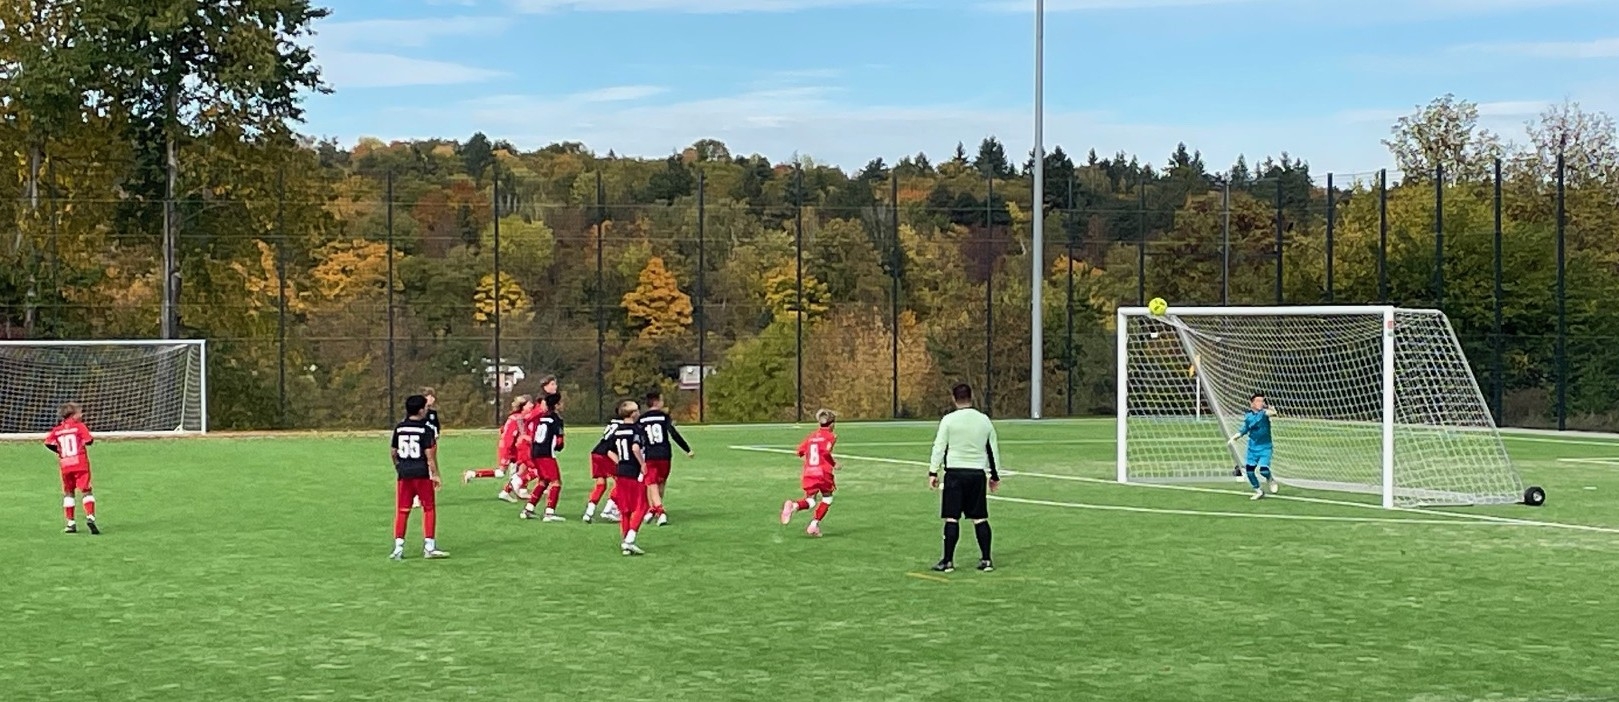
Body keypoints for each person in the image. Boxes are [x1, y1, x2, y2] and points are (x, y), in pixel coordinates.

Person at [927, 383, 1000, 573]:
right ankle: (986, 559)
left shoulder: (949, 420)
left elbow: (939, 446)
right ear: (971, 397)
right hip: (976, 474)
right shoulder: (984, 420)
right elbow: (992, 449)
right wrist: (994, 475)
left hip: (955, 474)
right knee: (980, 518)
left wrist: (933, 471)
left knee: (952, 518)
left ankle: (948, 561)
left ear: (954, 398)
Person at [391, 394, 448, 560]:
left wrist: (399, 467)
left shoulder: (399, 428)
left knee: (402, 510)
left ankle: (398, 548)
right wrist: (435, 474)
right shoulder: (425, 429)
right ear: (421, 410)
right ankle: (429, 547)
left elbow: (393, 452)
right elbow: (429, 456)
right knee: (428, 508)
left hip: (404, 474)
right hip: (422, 473)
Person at [636, 389, 692, 526]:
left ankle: (659, 511)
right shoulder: (663, 417)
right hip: (665, 454)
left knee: (652, 484)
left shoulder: (642, 419)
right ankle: (653, 510)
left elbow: (639, 438)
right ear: (656, 402)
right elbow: (673, 433)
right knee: (660, 483)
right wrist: (687, 449)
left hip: (650, 455)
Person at [780, 409, 838, 537]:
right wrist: (834, 464)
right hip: (823, 473)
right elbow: (825, 452)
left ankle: (794, 506)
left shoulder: (812, 436)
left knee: (811, 501)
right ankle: (814, 525)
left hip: (809, 472)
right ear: (832, 424)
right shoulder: (831, 436)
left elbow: (799, 451)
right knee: (827, 498)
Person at [46, 402, 99, 535]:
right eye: (79, 412)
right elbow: (89, 440)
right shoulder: (79, 426)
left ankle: (70, 523)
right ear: (73, 415)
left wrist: (59, 451)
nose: (82, 415)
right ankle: (90, 517)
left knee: (68, 492)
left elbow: (48, 442)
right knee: (86, 490)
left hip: (65, 464)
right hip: (80, 463)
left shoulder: (57, 430)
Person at [605, 400, 649, 555]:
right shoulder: (637, 429)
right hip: (634, 472)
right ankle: (630, 539)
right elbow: (636, 448)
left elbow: (608, 450)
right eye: (636, 410)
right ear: (632, 414)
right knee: (642, 506)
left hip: (621, 471)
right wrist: (642, 464)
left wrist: (620, 462)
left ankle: (625, 542)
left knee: (625, 509)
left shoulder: (617, 430)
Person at [521, 393, 568, 522]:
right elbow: (559, 442)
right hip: (546, 453)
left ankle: (528, 509)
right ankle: (549, 512)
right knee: (556, 482)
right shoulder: (557, 419)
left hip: (535, 451)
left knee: (543, 481)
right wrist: (559, 446)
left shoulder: (542, 417)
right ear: (556, 405)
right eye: (561, 403)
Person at [465, 395, 527, 487]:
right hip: (508, 448)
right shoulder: (518, 418)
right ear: (523, 406)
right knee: (502, 473)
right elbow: (513, 435)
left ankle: (512, 490)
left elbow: (503, 430)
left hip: (511, 448)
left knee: (517, 472)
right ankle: (472, 474)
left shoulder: (514, 417)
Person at [1228, 393, 1279, 500]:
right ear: (1252, 403)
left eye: (1262, 401)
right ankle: (1259, 491)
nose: (1261, 403)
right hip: (1252, 448)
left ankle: (1270, 479)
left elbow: (1271, 413)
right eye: (1258, 401)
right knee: (1250, 471)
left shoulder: (1264, 414)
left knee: (1263, 470)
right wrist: (1234, 437)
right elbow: (1244, 429)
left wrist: (1273, 411)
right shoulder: (1248, 416)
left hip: (1265, 447)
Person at [582, 415, 623, 523]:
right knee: (622, 481)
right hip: (607, 454)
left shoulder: (613, 423)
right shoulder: (623, 426)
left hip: (596, 452)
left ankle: (588, 513)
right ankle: (609, 510)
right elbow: (611, 447)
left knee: (601, 484)